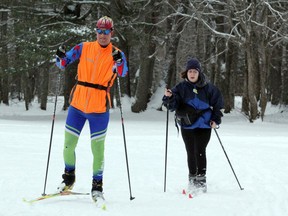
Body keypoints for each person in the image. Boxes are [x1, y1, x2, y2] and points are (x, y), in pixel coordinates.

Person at [55, 16, 128, 202]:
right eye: (100, 31)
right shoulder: (84, 47)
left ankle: (97, 187)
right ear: (96, 31)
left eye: (106, 32)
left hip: (99, 108)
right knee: (68, 145)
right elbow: (62, 63)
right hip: (77, 104)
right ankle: (68, 178)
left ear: (112, 33)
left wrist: (119, 62)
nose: (102, 35)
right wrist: (60, 56)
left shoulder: (116, 53)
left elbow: (123, 72)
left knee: (97, 150)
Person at [162, 58, 224, 193]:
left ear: (199, 73)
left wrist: (216, 120)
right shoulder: (180, 87)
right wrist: (169, 97)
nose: (192, 74)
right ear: (186, 73)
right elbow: (172, 105)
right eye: (190, 71)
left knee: (200, 150)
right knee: (190, 151)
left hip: (205, 124)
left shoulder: (209, 88)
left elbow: (218, 105)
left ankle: (201, 180)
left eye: (194, 71)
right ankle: (192, 178)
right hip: (187, 125)